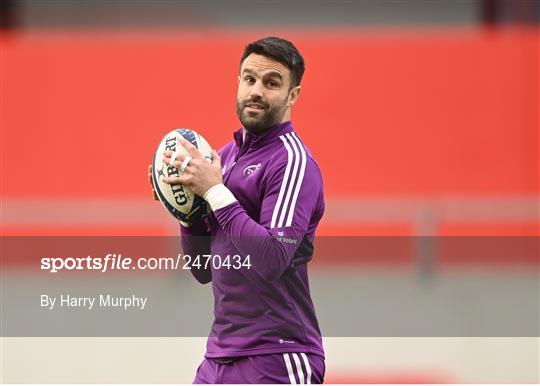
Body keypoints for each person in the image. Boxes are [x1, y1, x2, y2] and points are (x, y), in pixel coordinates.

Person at [150, 36, 325, 384]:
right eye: (249, 79)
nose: (256, 90)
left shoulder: (291, 162)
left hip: (278, 357)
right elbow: (203, 271)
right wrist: (188, 209)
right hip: (219, 358)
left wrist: (213, 190)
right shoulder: (223, 158)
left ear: (293, 95)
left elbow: (273, 258)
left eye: (271, 82)